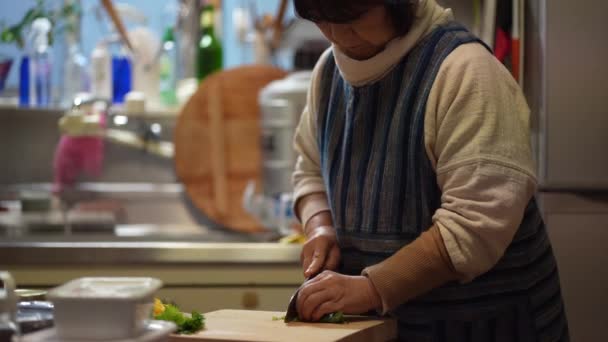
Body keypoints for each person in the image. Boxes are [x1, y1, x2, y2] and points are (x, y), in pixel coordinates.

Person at [291, 0, 570, 341]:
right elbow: (309, 168)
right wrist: (320, 226)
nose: (336, 34)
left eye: (353, 17)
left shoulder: (466, 71)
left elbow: (473, 225)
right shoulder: (327, 73)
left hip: (486, 326)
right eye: (321, 20)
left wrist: (371, 288)